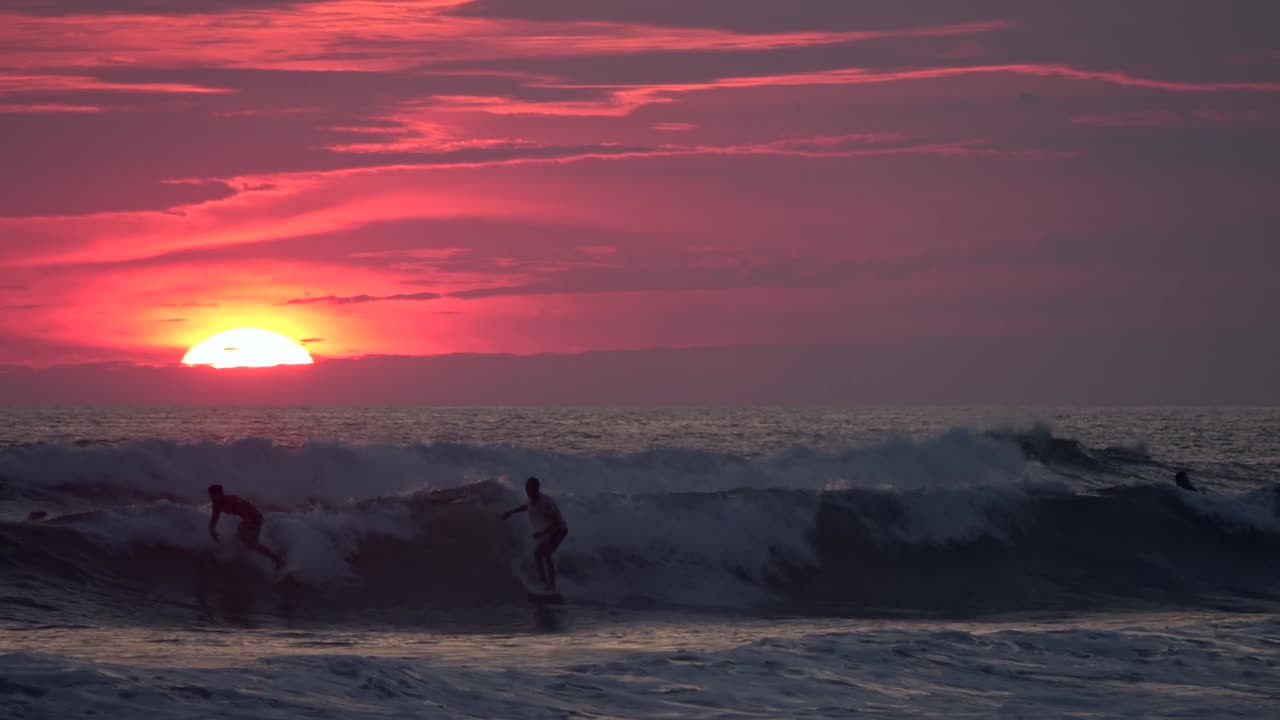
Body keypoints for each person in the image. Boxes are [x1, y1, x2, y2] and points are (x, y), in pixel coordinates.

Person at [502, 477, 568, 592]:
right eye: (526, 488)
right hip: (549, 531)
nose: (527, 490)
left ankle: (552, 585)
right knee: (537, 554)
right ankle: (543, 582)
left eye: (529, 488)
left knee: (546, 552)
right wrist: (510, 512)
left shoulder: (546, 503)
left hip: (560, 530)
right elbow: (525, 507)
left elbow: (557, 523)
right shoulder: (532, 499)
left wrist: (541, 533)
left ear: (536, 488)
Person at [208, 484, 284, 571]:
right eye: (211, 496)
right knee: (239, 539)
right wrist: (212, 530)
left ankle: (278, 560)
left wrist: (247, 526)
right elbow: (214, 518)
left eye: (215, 495)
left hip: (256, 518)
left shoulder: (233, 500)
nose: (213, 498)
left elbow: (244, 510)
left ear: (221, 494)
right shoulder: (216, 505)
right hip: (246, 520)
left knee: (252, 543)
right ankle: (240, 562)